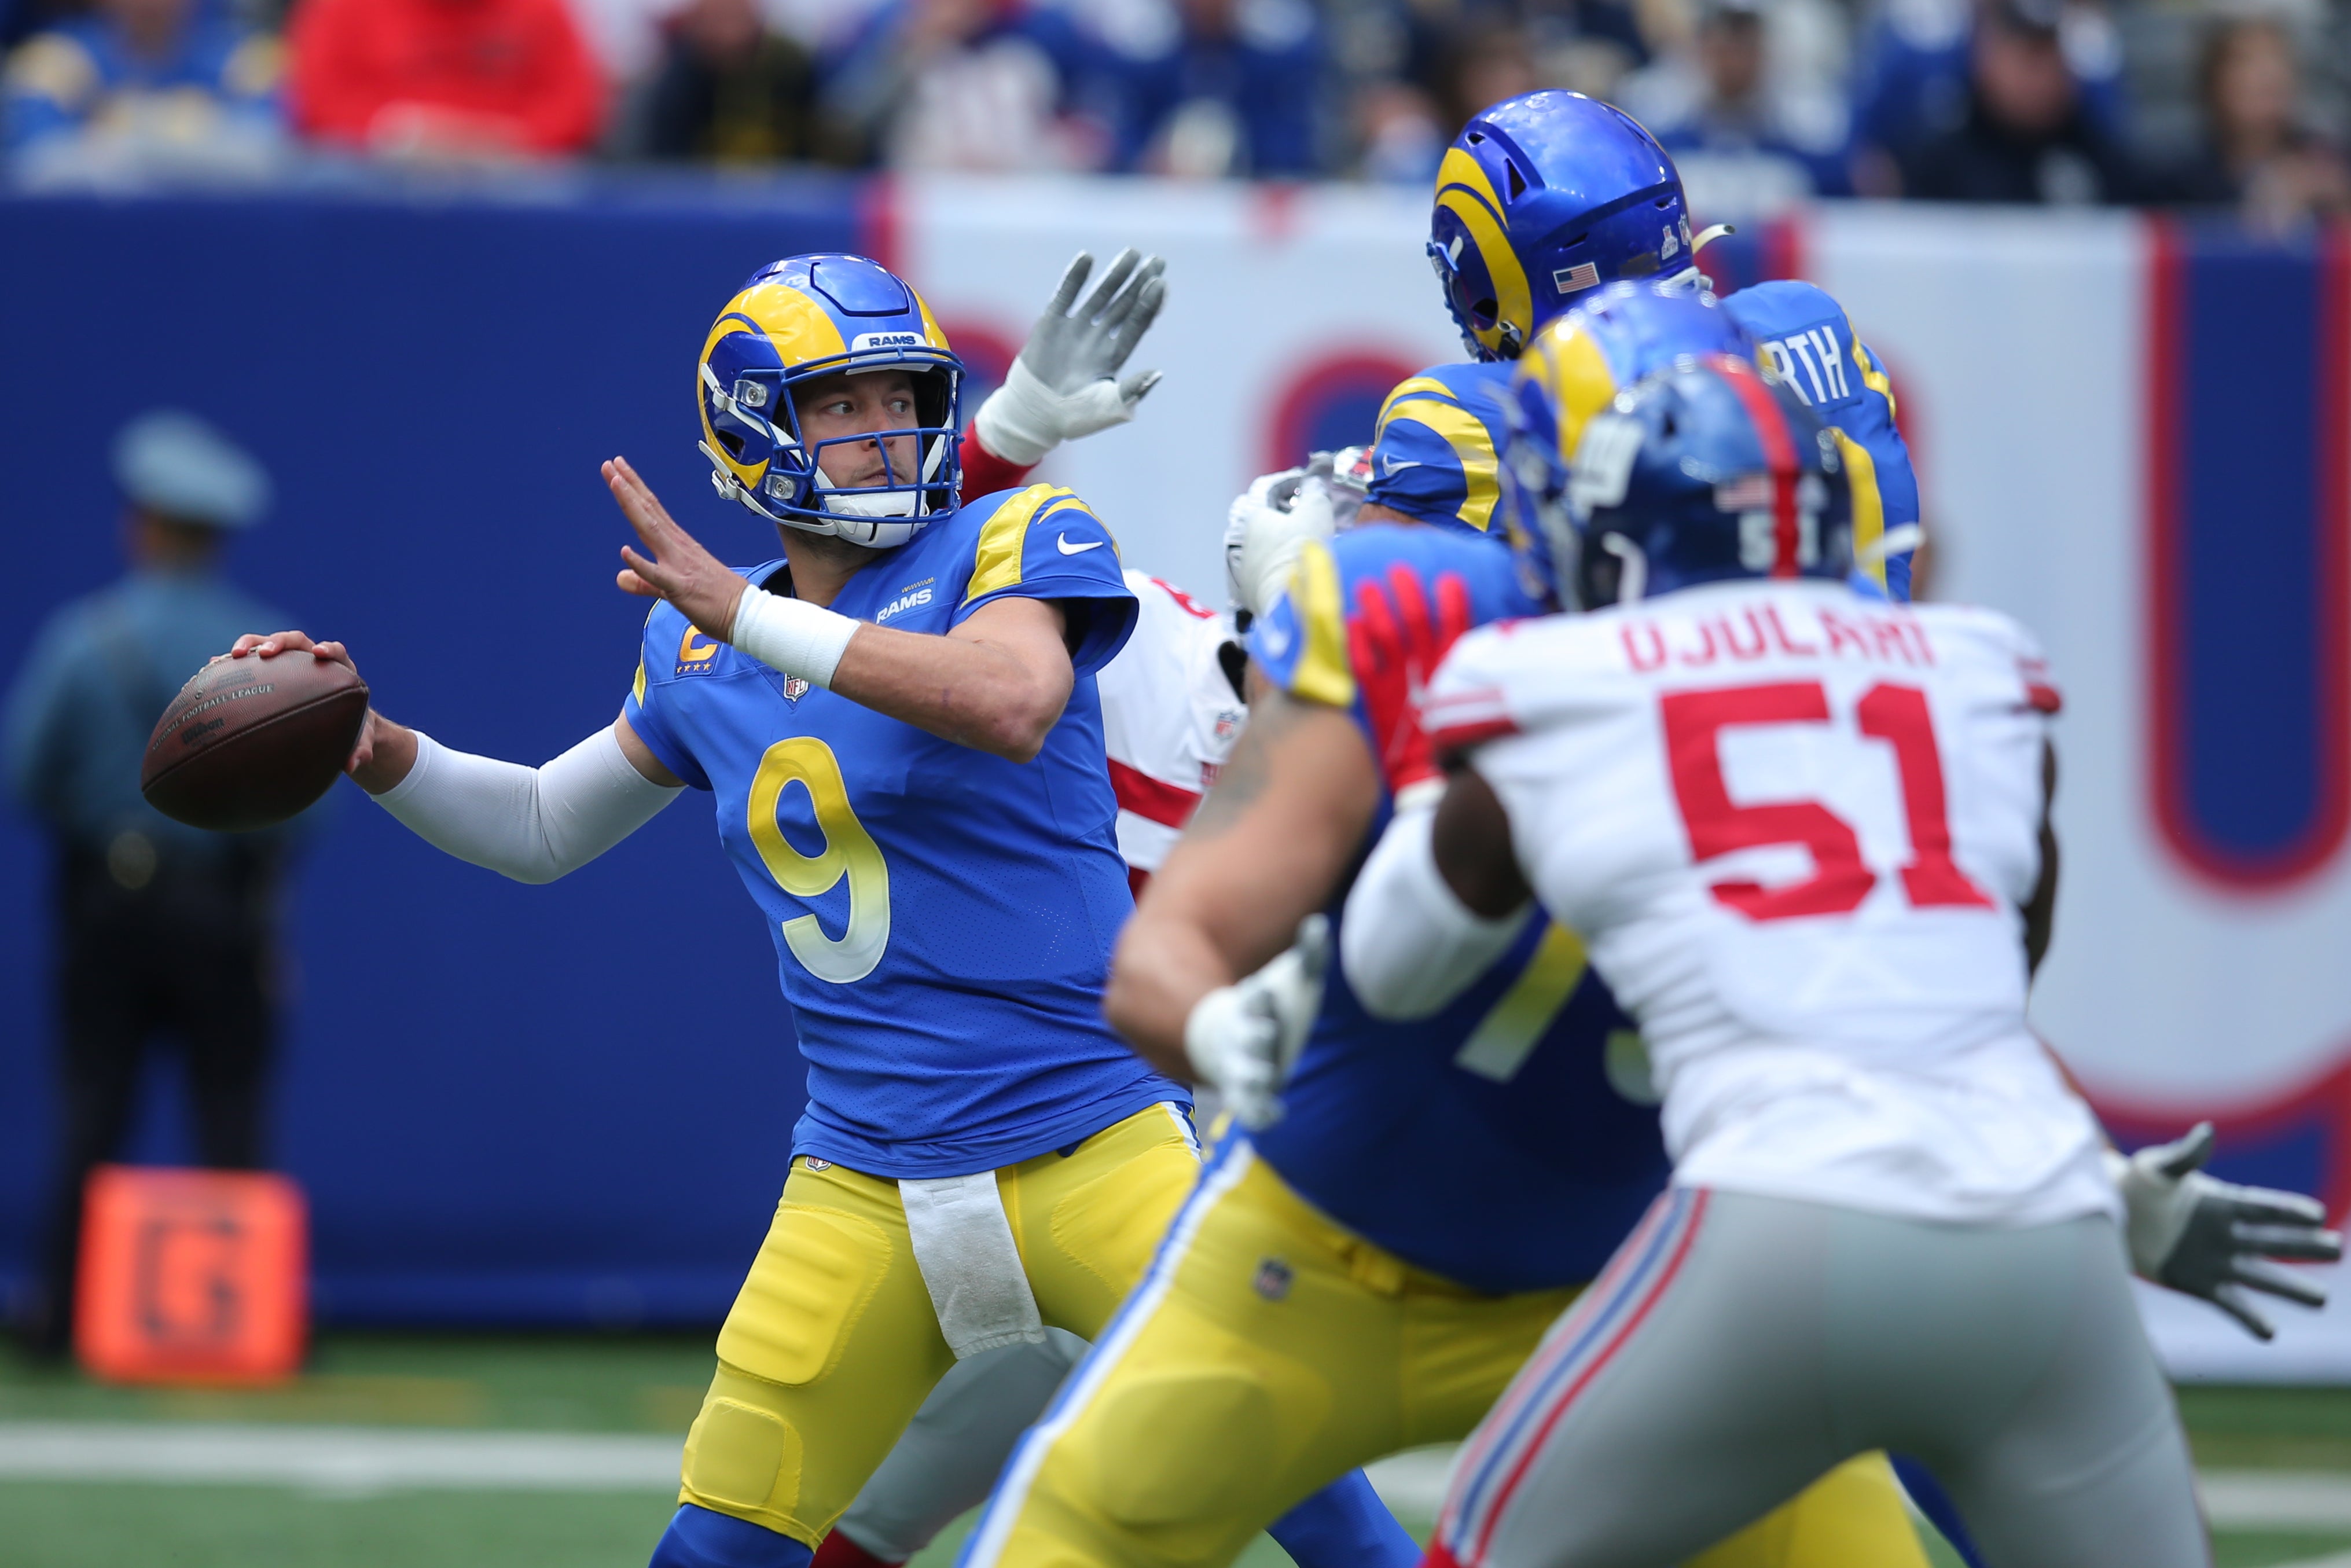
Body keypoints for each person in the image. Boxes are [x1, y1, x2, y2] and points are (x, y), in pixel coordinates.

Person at [223, 251, 1408, 1568]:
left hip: (1097, 1149)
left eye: (902, 394)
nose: (886, 426)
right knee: (718, 1547)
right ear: (754, 430)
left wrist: (746, 615)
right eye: (842, 405)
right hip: (860, 1182)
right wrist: (376, 746)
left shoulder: (1016, 538)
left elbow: (1005, 702)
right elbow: (546, 827)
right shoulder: (689, 649)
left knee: (1322, 1506)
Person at [1340, 350, 2338, 1567]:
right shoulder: (1975, 667)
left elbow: (1391, 970)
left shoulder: (1549, 680)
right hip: (2047, 1231)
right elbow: (1976, 986)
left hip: (1776, 1222)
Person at [3, 410, 294, 1358]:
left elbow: (24, 773)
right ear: (216, 533)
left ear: (144, 523)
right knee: (232, 1108)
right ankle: (245, 1320)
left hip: (107, 905)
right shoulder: (263, 661)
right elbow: (304, 808)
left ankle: (59, 1319)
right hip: (224, 909)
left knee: (93, 1104)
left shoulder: (83, 641)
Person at [1891, 0, 2147, 205]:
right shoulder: (1939, 162)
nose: (2042, 76)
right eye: (2028, 59)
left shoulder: (2096, 153)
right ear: (1988, 56)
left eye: (2051, 54)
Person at [287, 0, 603, 160]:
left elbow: (574, 107)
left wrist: (506, 142)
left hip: (514, 175)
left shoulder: (540, 10)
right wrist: (395, 134)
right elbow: (319, 100)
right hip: (374, 172)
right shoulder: (346, 8)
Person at [1, 0, 281, 164]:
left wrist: (114, 127)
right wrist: (187, 128)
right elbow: (36, 157)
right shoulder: (55, 58)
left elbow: (269, 153)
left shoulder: (247, 60)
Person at [2173, 16, 2350, 230]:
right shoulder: (2178, 180)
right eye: (2247, 61)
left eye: (2278, 59)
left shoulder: (2329, 160)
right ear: (2213, 82)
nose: (2269, 74)